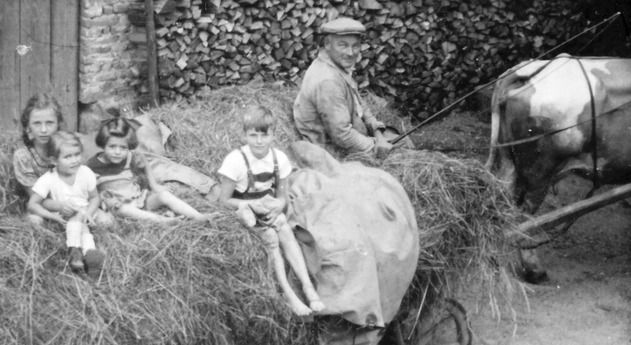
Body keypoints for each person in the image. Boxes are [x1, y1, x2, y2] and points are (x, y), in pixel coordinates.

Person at [218, 105, 325, 316]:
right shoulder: (235, 160)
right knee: (270, 238)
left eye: (264, 135)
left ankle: (308, 287)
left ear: (273, 134)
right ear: (244, 135)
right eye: (253, 135)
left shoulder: (279, 159)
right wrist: (246, 206)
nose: (259, 141)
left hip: (267, 208)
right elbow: (223, 200)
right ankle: (288, 294)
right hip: (244, 210)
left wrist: (279, 206)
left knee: (284, 228)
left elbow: (282, 196)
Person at [293, 17, 414, 158]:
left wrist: (378, 134)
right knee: (402, 151)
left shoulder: (336, 65)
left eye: (355, 46)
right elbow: (342, 136)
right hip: (332, 153)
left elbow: (361, 106)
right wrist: (377, 148)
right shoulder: (327, 81)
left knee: (403, 142)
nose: (351, 53)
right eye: (343, 45)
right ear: (327, 44)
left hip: (349, 138)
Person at [12, 93, 113, 226]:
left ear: (58, 124)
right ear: (27, 127)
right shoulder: (23, 157)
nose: (43, 130)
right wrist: (61, 207)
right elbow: (36, 198)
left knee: (105, 221)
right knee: (35, 221)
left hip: (76, 200)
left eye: (49, 123)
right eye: (37, 123)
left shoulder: (69, 146)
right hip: (45, 205)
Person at [87, 117, 206, 223]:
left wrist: (154, 185)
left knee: (163, 195)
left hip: (139, 199)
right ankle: (163, 221)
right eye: (112, 146)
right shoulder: (93, 166)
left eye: (123, 147)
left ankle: (198, 216)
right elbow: (86, 189)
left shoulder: (130, 155)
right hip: (118, 206)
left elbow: (145, 164)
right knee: (126, 209)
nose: (117, 152)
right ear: (103, 145)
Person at [27, 131, 105, 277]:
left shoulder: (85, 172)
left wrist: (89, 212)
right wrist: (52, 216)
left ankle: (85, 253)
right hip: (64, 214)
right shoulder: (49, 178)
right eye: (68, 157)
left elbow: (95, 197)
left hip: (85, 210)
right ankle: (82, 251)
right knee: (76, 220)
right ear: (54, 160)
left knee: (105, 221)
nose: (74, 160)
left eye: (77, 154)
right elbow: (32, 204)